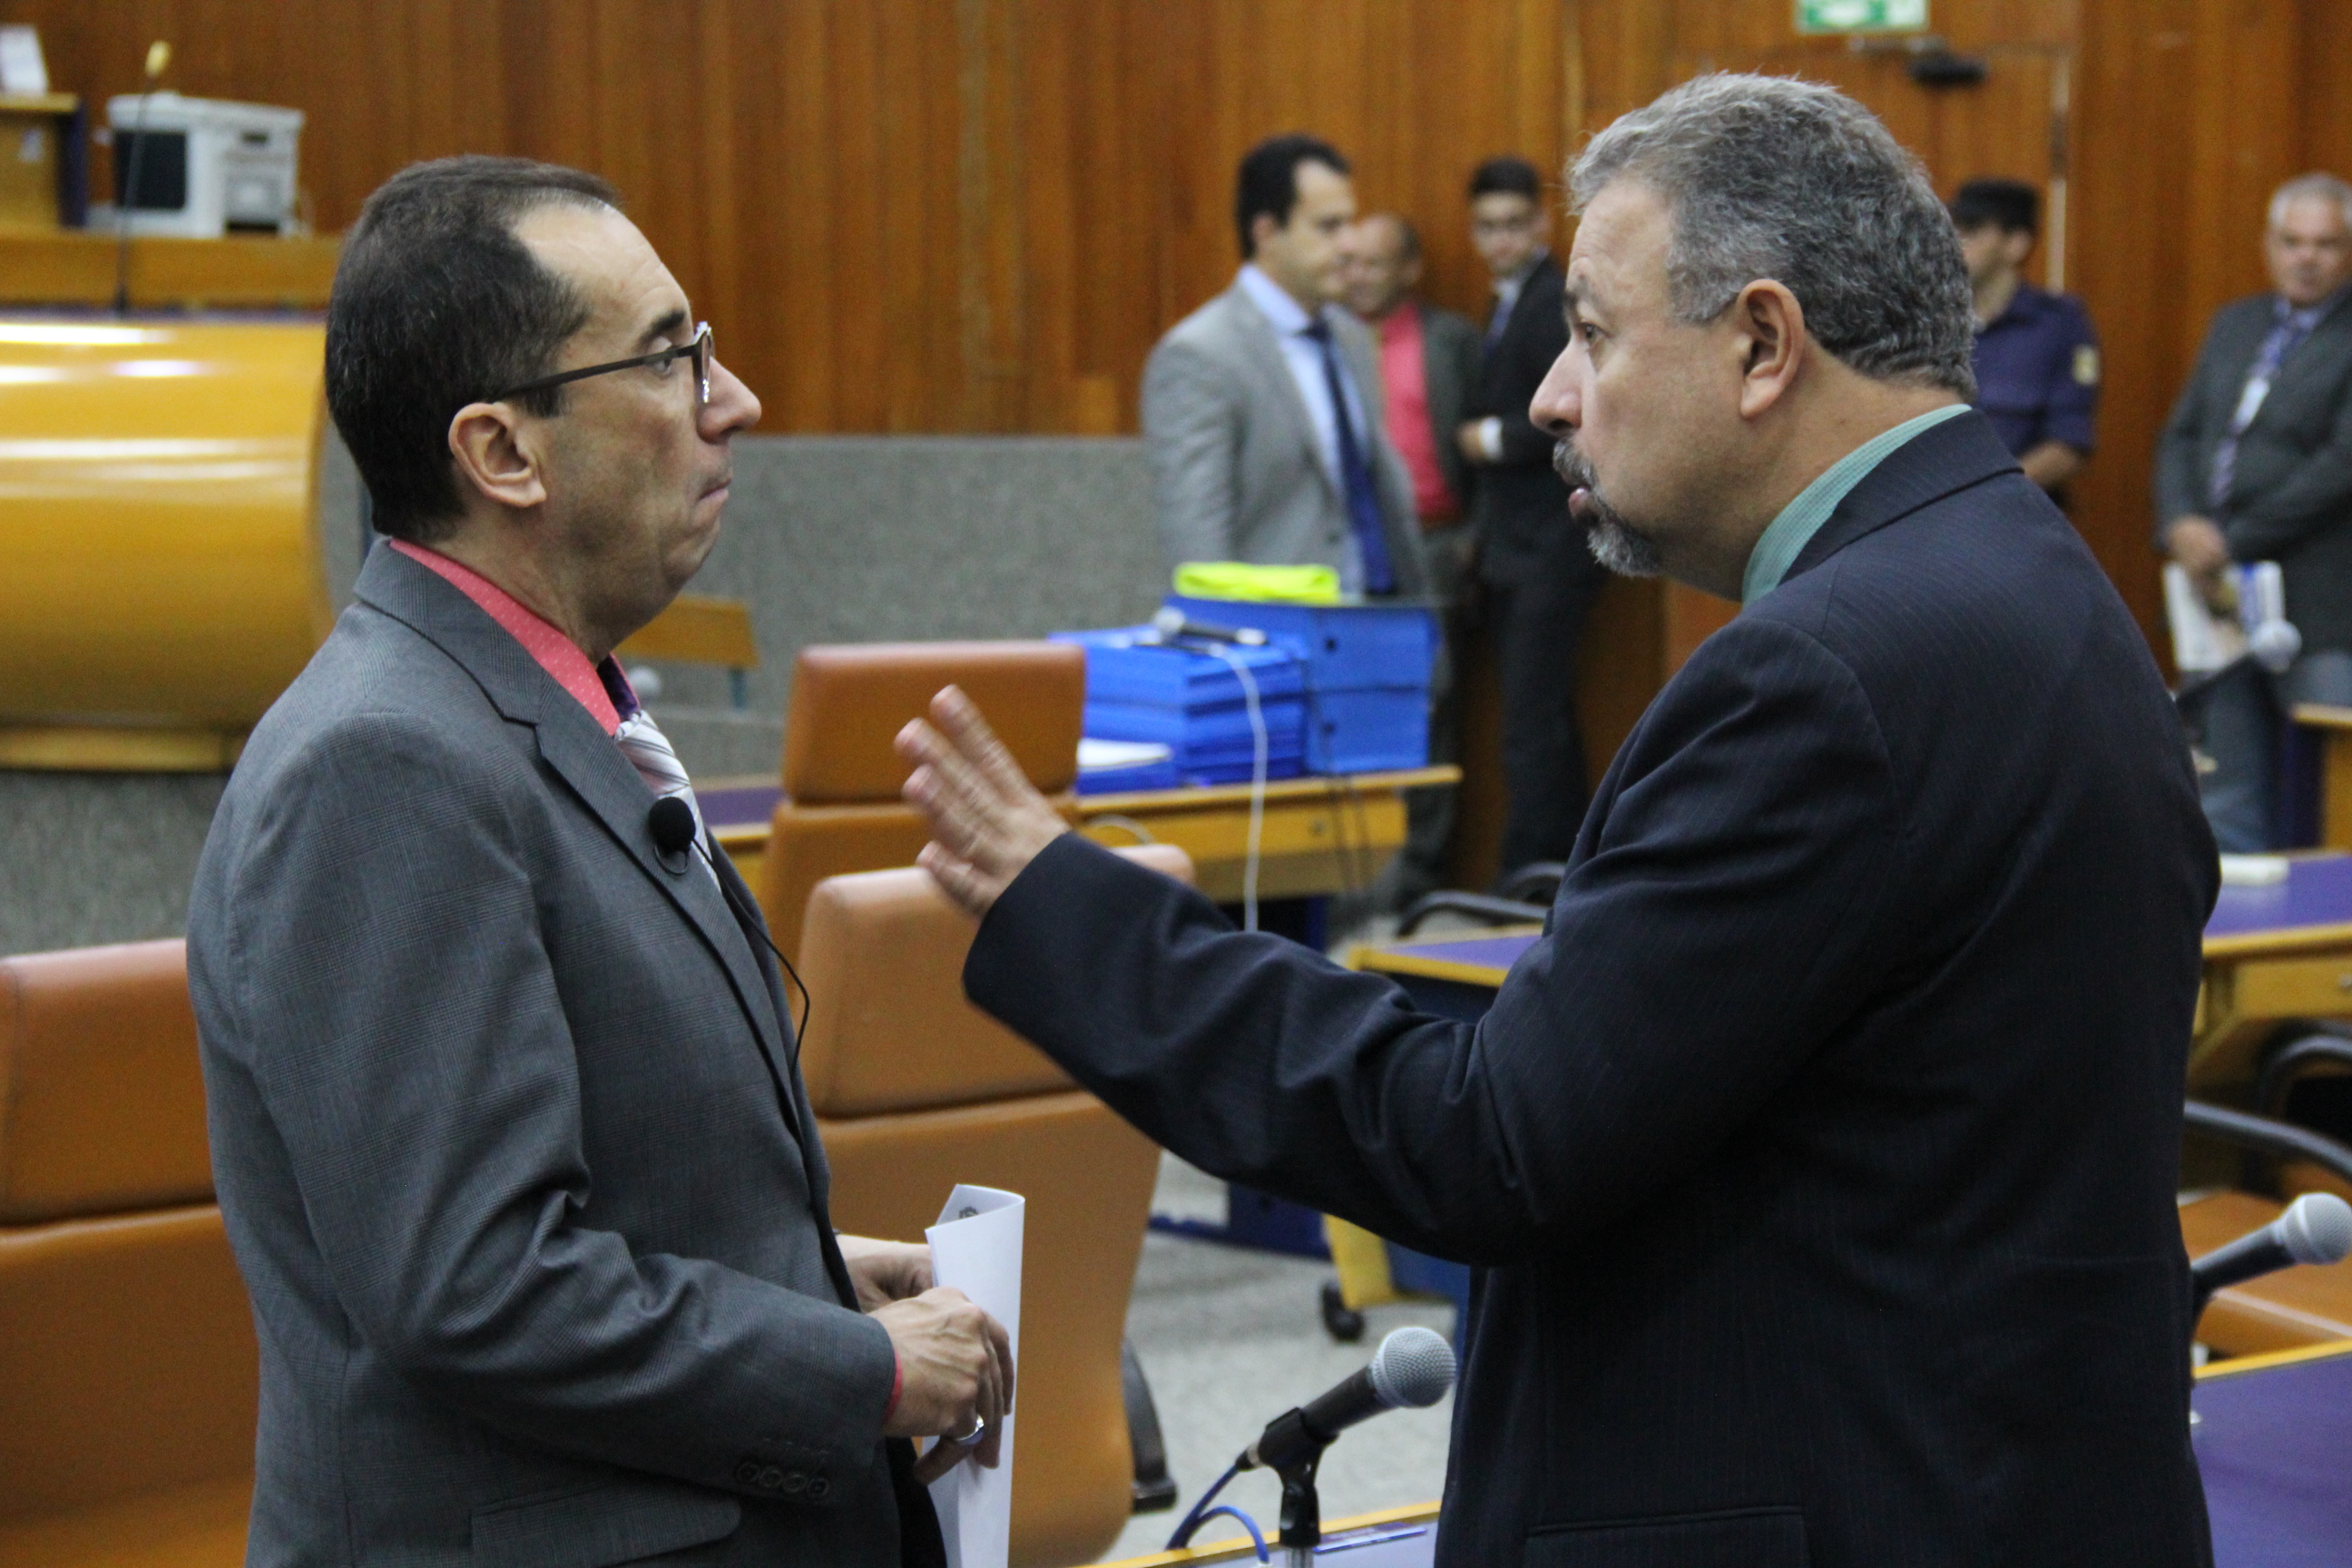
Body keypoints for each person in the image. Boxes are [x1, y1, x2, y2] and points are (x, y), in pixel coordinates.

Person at [901, 74, 2215, 1567]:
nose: (1549, 395)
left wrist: (1078, 912)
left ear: (1762, 344)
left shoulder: (1824, 675)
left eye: (1593, 332)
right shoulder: (2034, 580)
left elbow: (1487, 1141)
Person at [187, 157, 1012, 1568]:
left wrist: (806, 1281)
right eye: (672, 358)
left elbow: (602, 1175)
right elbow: (476, 1286)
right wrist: (858, 1372)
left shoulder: (528, 709)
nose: (734, 400)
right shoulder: (386, 763)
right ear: (503, 454)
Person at [1141, 134, 1426, 598]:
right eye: (1328, 227)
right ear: (1267, 233)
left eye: (1350, 223)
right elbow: (1198, 544)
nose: (1350, 244)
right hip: (1279, 631)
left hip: (1382, 619)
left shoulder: (1351, 336)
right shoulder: (1200, 356)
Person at [2158, 171, 2352, 851]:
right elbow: (2182, 434)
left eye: (2325, 244)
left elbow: (2341, 466)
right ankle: (2235, 909)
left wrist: (2228, 541)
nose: (2306, 258)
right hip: (2220, 599)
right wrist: (2181, 524)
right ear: (2269, 245)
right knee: (2227, 782)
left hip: (2321, 605)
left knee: (2335, 791)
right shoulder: (2236, 322)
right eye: (2292, 242)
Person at [1456, 154, 1605, 875]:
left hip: (1550, 543)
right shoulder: (1508, 301)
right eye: (1488, 227)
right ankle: (1558, 865)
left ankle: (1533, 872)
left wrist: (1488, 439)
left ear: (1544, 224)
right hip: (1514, 545)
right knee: (1538, 718)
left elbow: (1573, 414)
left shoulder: (1553, 300)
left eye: (1515, 224)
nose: (1502, 240)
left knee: (1531, 722)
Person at [1339, 211, 1482, 904]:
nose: (1359, 277)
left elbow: (1482, 451)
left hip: (1433, 547)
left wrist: (1473, 536)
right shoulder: (1325, 343)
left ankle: (1418, 882)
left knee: (1429, 711)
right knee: (1349, 714)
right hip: (1347, 552)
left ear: (1409, 269)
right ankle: (1351, 883)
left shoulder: (1450, 340)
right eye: (1350, 262)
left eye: (1374, 262)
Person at [1952, 178, 2100, 496]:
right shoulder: (1933, 320)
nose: (1956, 243)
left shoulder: (2059, 325)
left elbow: (2068, 443)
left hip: (2013, 507)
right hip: (1928, 507)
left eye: (1972, 231)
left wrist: (1988, 495)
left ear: (2016, 243)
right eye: (1953, 229)